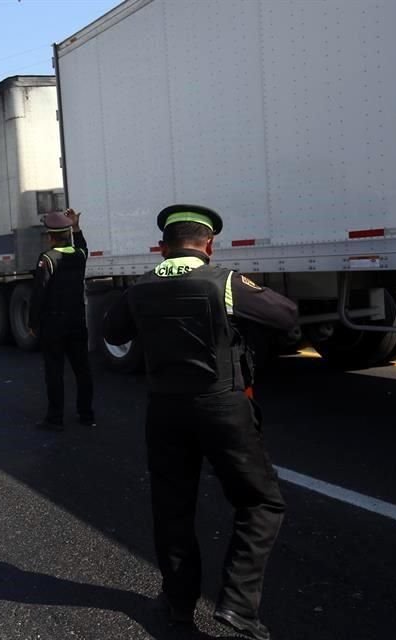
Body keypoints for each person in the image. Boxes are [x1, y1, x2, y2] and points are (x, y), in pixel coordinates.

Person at [102, 204, 297, 640]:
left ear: (161, 248)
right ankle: (238, 607)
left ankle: (177, 605)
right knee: (261, 502)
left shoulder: (140, 287)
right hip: (222, 407)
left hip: (165, 410)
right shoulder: (225, 281)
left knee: (173, 509)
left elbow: (113, 334)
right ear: (209, 244)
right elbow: (285, 317)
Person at [27, 208, 95, 431]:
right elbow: (84, 246)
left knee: (54, 371)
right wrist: (77, 226)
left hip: (53, 325)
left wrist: (32, 323)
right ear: (67, 233)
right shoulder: (79, 255)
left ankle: (55, 418)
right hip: (77, 322)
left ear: (50, 236)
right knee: (82, 370)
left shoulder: (47, 258)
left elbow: (39, 293)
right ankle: (86, 414)